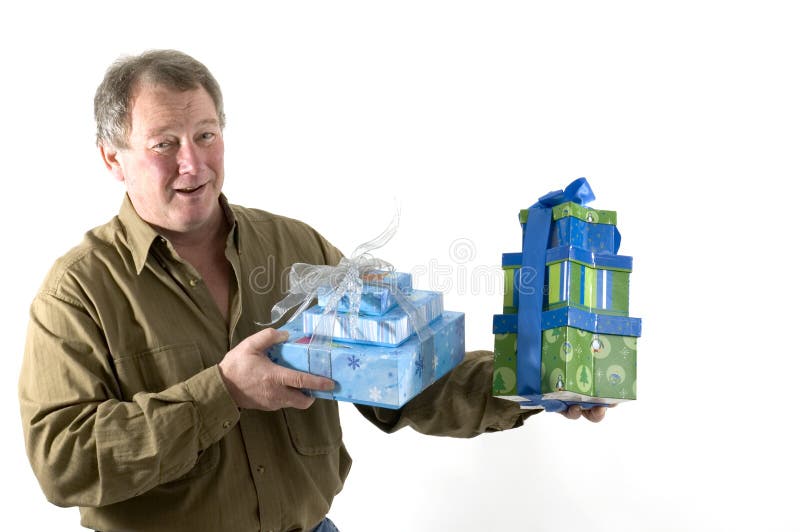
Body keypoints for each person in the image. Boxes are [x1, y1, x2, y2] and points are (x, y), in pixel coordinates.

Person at [18, 49, 606, 532]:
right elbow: (61, 464)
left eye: (205, 134)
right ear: (111, 159)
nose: (193, 163)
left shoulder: (297, 249)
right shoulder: (77, 293)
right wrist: (224, 392)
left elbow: (405, 379)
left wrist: (533, 382)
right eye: (163, 143)